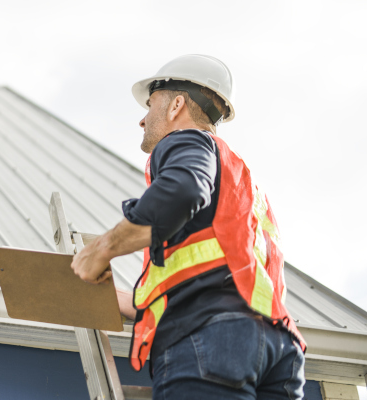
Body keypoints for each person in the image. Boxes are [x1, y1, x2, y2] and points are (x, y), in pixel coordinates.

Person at [70, 54, 307, 400]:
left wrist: (101, 250)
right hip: (279, 349)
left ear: (176, 105)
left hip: (213, 339)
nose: (142, 119)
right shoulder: (241, 184)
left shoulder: (186, 140)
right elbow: (216, 279)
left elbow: (182, 191)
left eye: (151, 104)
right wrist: (131, 302)